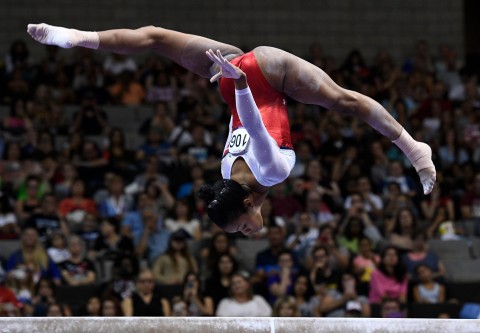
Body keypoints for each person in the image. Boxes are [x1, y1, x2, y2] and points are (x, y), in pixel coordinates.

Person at [27, 23, 436, 236]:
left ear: (247, 206)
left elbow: (257, 127)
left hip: (259, 77)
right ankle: (75, 37)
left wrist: (241, 84)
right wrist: (232, 79)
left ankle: (414, 149)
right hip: (229, 76)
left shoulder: (270, 174)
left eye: (243, 227)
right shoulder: (226, 175)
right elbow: (243, 127)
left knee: (345, 101)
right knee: (155, 37)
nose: (250, 232)